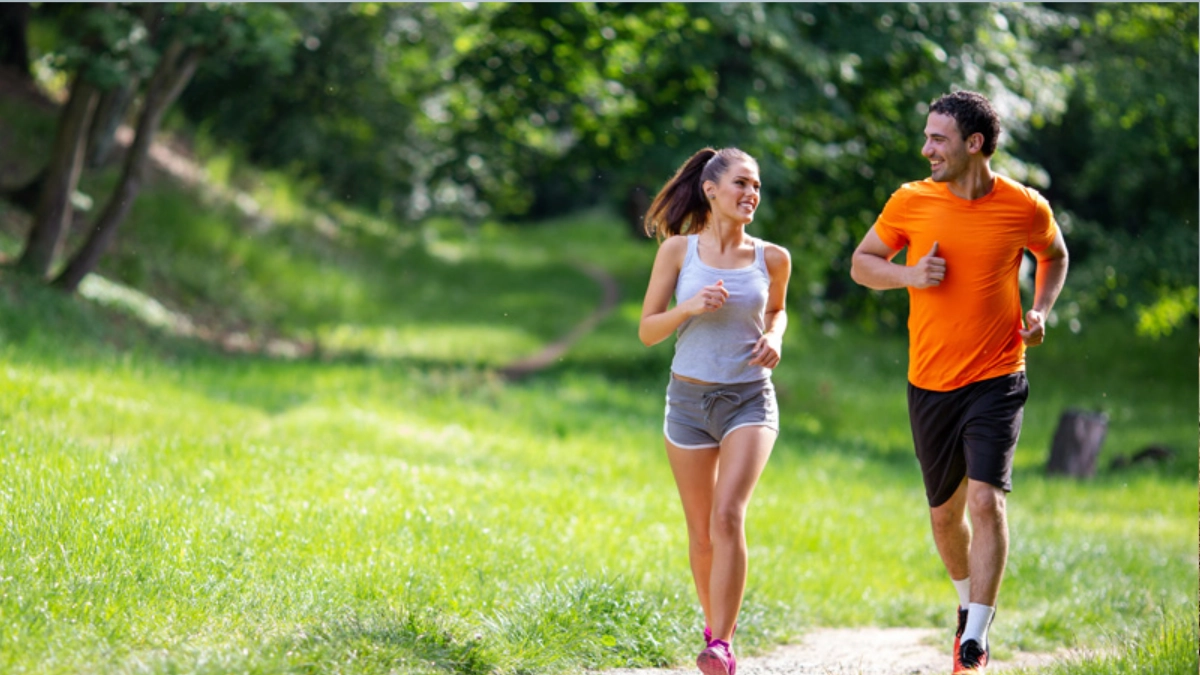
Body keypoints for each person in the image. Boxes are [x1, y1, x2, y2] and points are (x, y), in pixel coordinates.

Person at [849, 90, 1069, 674]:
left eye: (937, 138)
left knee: (985, 499)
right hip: (929, 380)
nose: (926, 149)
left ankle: (975, 637)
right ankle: (964, 609)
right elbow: (862, 262)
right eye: (927, 137)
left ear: (974, 144)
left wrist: (1042, 310)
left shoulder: (1023, 206)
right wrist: (910, 274)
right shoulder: (911, 202)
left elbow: (1055, 255)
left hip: (998, 375)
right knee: (946, 516)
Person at [638, 147, 791, 675]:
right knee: (701, 531)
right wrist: (689, 307)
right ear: (711, 189)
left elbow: (777, 309)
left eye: (757, 187)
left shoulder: (772, 257)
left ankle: (722, 645)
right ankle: (713, 632)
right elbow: (648, 331)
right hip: (687, 402)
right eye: (742, 184)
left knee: (729, 515)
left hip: (749, 397)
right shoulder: (678, 252)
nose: (752, 194)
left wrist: (774, 335)